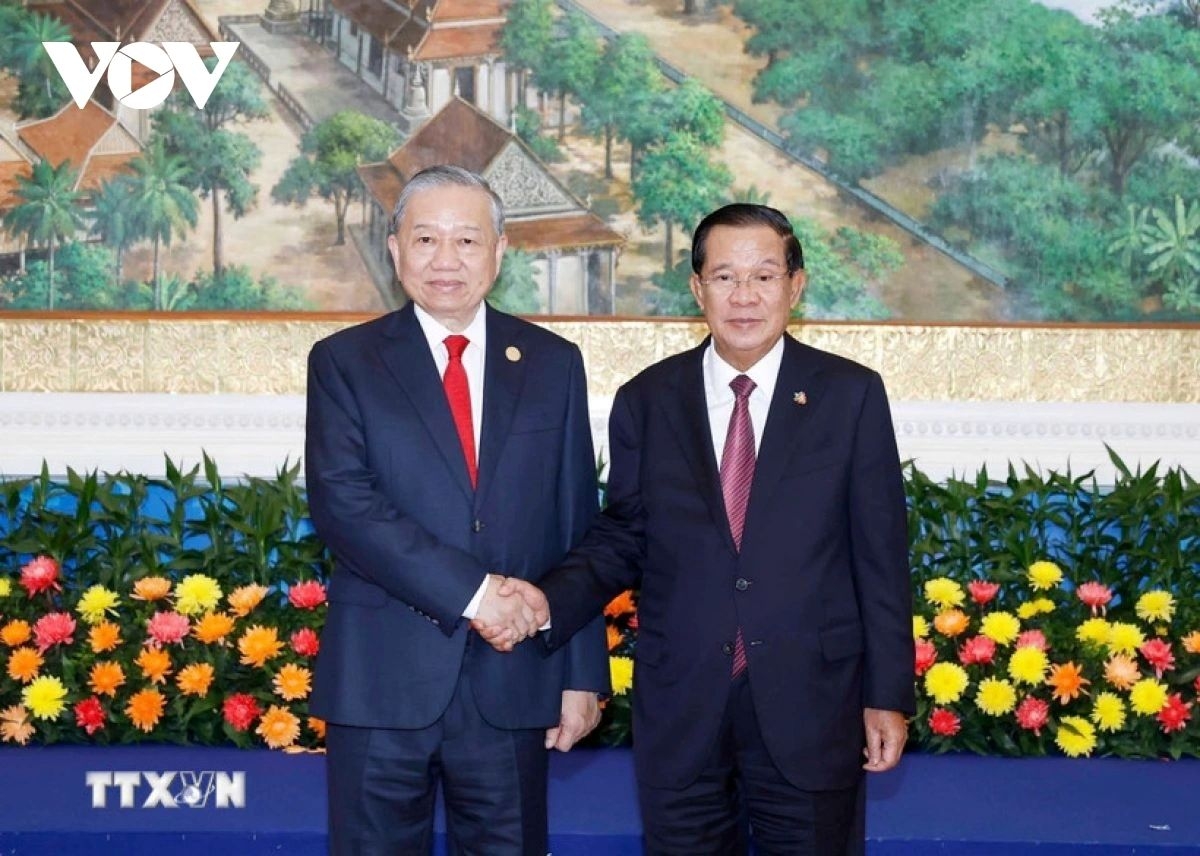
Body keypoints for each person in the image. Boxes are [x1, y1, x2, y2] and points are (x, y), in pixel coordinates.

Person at [478, 203, 915, 855]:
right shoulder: (648, 400)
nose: (744, 296)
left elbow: (880, 556)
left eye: (764, 277)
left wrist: (887, 695)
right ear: (697, 288)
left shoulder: (849, 395)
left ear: (795, 286)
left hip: (811, 704)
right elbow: (626, 536)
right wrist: (547, 601)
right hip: (683, 704)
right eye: (725, 277)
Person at [305, 164, 608, 855]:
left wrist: (582, 673)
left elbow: (576, 523)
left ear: (500, 252)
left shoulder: (552, 362)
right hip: (382, 684)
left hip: (515, 684)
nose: (447, 261)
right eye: (426, 240)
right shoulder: (345, 362)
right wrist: (476, 596)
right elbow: (346, 508)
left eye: (468, 241)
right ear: (394, 249)